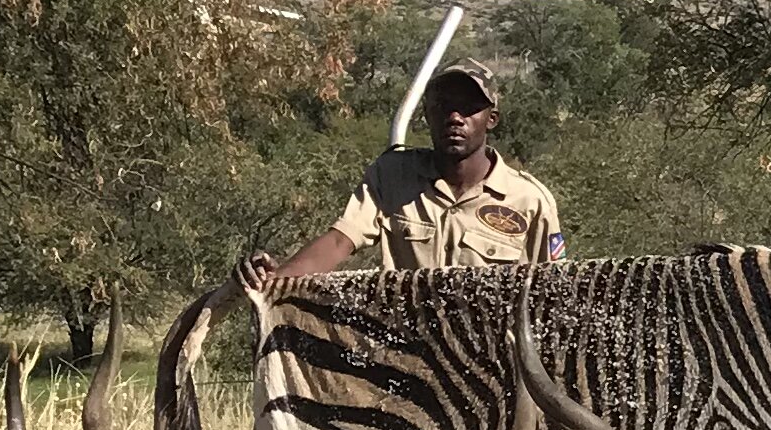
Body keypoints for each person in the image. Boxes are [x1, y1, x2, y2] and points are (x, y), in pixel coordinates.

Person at [240, 64, 561, 291]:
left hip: (490, 368)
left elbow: (553, 292)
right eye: (443, 106)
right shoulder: (393, 175)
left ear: (491, 119)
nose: (455, 117)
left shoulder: (530, 200)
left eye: (468, 108)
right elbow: (341, 239)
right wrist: (271, 282)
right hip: (406, 357)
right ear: (428, 116)